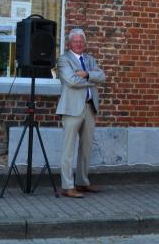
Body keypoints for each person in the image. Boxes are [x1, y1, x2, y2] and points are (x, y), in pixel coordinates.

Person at [56, 28, 106, 198]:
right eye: (75, 41)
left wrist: (86, 74)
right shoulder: (64, 59)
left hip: (89, 107)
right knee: (68, 149)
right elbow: (71, 81)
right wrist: (91, 80)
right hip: (71, 108)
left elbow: (102, 77)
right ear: (69, 43)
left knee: (86, 148)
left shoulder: (90, 59)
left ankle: (82, 182)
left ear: (85, 43)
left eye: (81, 41)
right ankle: (67, 186)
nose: (78, 44)